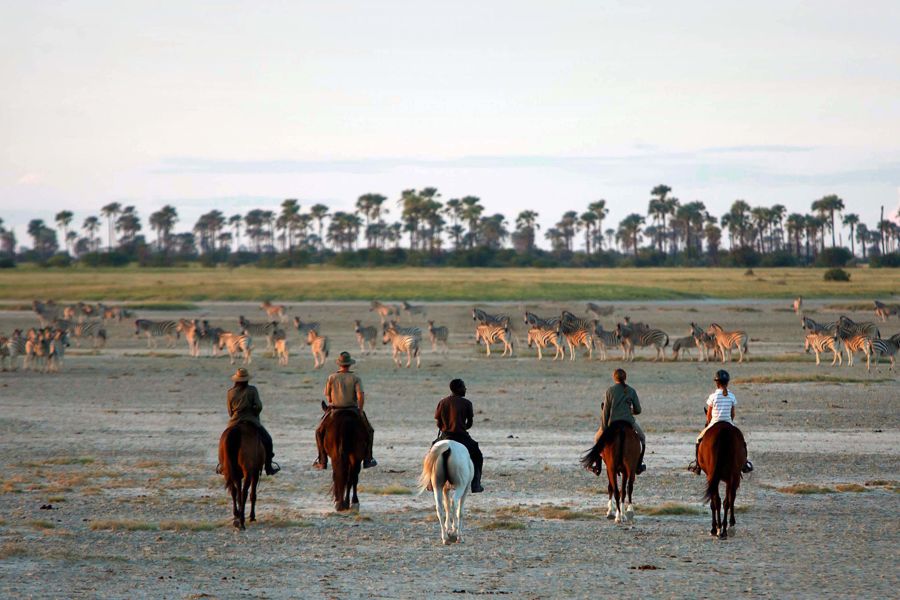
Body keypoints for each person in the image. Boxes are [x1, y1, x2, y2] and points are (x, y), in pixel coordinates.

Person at [313, 351, 377, 470]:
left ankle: (322, 460)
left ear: (339, 364)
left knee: (318, 431)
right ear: (349, 364)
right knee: (369, 431)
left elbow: (328, 397)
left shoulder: (331, 377)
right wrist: (360, 410)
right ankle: (368, 458)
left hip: (334, 410)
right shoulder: (355, 378)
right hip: (352, 409)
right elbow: (360, 396)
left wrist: (334, 401)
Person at [689, 369, 753, 474]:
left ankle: (697, 465)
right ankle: (745, 463)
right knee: (742, 440)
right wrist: (729, 421)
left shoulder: (713, 396)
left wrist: (709, 422)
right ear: (727, 383)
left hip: (714, 423)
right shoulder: (732, 396)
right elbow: (733, 414)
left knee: (698, 439)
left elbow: (709, 414)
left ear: (716, 383)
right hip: (728, 422)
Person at [224, 367, 279, 475]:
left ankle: (222, 464)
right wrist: (254, 411)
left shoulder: (230, 392)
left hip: (234, 421)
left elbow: (230, 412)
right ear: (247, 380)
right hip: (251, 420)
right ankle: (268, 466)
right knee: (268, 440)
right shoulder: (252, 390)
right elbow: (258, 406)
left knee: (225, 441)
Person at [431, 379, 484, 493]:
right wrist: (462, 427)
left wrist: (445, 427)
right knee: (477, 454)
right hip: (461, 437)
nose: (465, 389)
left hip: (445, 435)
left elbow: (438, 423)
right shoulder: (467, 403)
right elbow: (469, 423)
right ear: (458, 388)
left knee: (431, 451)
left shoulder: (442, 402)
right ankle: (476, 484)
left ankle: (430, 482)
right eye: (463, 387)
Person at [595, 368, 646, 474]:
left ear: (614, 378)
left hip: (612, 422)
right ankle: (639, 464)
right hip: (628, 421)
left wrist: (605, 428)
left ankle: (597, 466)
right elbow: (638, 410)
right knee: (642, 438)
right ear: (625, 378)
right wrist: (630, 411)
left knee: (596, 439)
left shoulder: (609, 390)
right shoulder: (631, 390)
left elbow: (606, 411)